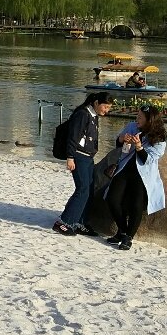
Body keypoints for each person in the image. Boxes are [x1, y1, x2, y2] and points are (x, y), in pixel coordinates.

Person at [103, 106, 167, 250]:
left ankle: (128, 237)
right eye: (137, 116)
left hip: (143, 174)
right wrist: (122, 139)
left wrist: (139, 146)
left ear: (149, 120)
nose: (136, 119)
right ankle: (122, 230)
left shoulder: (159, 136)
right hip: (124, 168)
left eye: (140, 117)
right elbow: (118, 144)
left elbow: (147, 160)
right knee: (112, 199)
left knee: (136, 206)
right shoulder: (132, 126)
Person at [53, 92, 116, 236]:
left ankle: (79, 222)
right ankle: (63, 222)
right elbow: (73, 136)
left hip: (88, 157)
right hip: (78, 156)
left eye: (108, 108)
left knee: (89, 189)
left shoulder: (93, 115)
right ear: (96, 103)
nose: (106, 110)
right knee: (82, 189)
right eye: (105, 107)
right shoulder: (82, 114)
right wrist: (70, 157)